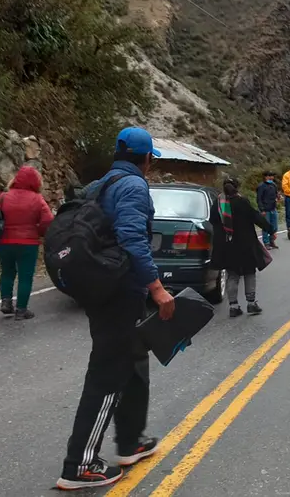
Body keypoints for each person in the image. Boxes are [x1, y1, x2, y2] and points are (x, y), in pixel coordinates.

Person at [57, 127, 176, 491]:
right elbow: (132, 239)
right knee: (107, 375)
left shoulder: (100, 185)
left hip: (102, 289)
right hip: (120, 293)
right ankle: (79, 464)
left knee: (132, 364)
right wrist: (156, 288)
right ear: (148, 159)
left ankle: (129, 442)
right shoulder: (134, 186)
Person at [0, 165, 54, 320]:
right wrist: (39, 232)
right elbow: (48, 220)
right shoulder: (37, 199)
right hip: (28, 243)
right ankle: (21, 310)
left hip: (4, 242)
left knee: (7, 272)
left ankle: (6, 302)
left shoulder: (4, 196)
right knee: (25, 276)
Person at [210, 177, 277, 317]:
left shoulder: (217, 203)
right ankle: (251, 304)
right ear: (237, 187)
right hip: (246, 245)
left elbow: (212, 221)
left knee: (232, 275)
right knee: (249, 272)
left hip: (227, 246)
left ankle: (233, 307)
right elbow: (256, 217)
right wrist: (271, 230)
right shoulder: (242, 201)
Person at [256, 171, 280, 250]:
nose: (271, 177)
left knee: (274, 227)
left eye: (272, 176)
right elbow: (259, 199)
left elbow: (277, 195)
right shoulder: (261, 186)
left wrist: (278, 197)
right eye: (269, 176)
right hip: (265, 210)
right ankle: (266, 243)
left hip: (273, 208)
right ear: (265, 177)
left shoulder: (274, 185)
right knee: (266, 227)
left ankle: (272, 241)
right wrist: (262, 209)